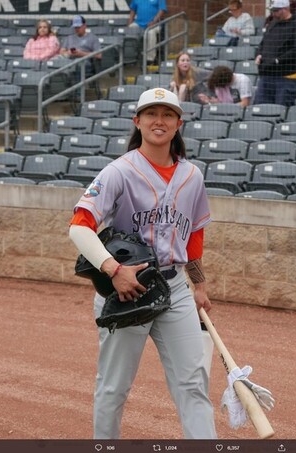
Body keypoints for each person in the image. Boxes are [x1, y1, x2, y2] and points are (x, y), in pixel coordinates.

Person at [69, 88, 216, 439]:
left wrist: (200, 286)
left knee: (193, 384)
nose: (159, 121)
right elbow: (79, 227)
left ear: (179, 123)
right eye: (151, 114)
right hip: (127, 290)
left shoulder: (192, 176)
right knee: (114, 388)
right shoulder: (119, 171)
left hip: (176, 288)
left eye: (167, 114)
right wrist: (113, 270)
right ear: (138, 121)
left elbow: (194, 235)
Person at [254, 0, 296, 106]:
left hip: (287, 76)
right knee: (260, 107)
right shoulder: (272, 24)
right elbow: (263, 43)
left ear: (285, 9)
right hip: (266, 75)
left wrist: (277, 60)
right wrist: (258, 54)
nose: (273, 13)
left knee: (281, 108)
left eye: (276, 11)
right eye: (272, 10)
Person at [128, 0, 167, 64]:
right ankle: (132, 56)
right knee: (130, 29)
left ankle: (150, 59)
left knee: (150, 33)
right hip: (139, 24)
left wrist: (154, 21)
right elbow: (133, 11)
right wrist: (129, 24)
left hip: (155, 24)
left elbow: (162, 10)